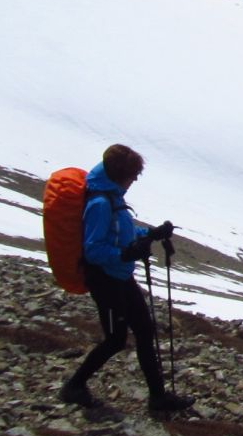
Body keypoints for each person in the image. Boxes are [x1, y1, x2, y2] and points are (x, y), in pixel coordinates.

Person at [58, 144, 193, 413]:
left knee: (145, 331)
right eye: (132, 176)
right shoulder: (99, 203)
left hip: (121, 276)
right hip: (105, 280)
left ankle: (158, 397)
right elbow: (94, 249)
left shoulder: (112, 197)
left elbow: (123, 230)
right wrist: (126, 253)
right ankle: (74, 386)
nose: (134, 181)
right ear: (121, 174)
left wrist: (151, 234)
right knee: (115, 339)